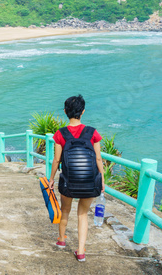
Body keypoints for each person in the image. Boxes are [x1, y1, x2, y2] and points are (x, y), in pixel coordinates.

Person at [47, 95, 105, 262]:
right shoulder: (92, 133)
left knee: (65, 210)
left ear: (65, 111)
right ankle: (80, 251)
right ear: (83, 111)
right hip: (89, 181)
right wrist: (101, 180)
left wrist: (51, 179)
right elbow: (98, 159)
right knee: (83, 214)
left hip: (68, 181)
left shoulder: (61, 134)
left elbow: (57, 160)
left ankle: (62, 240)